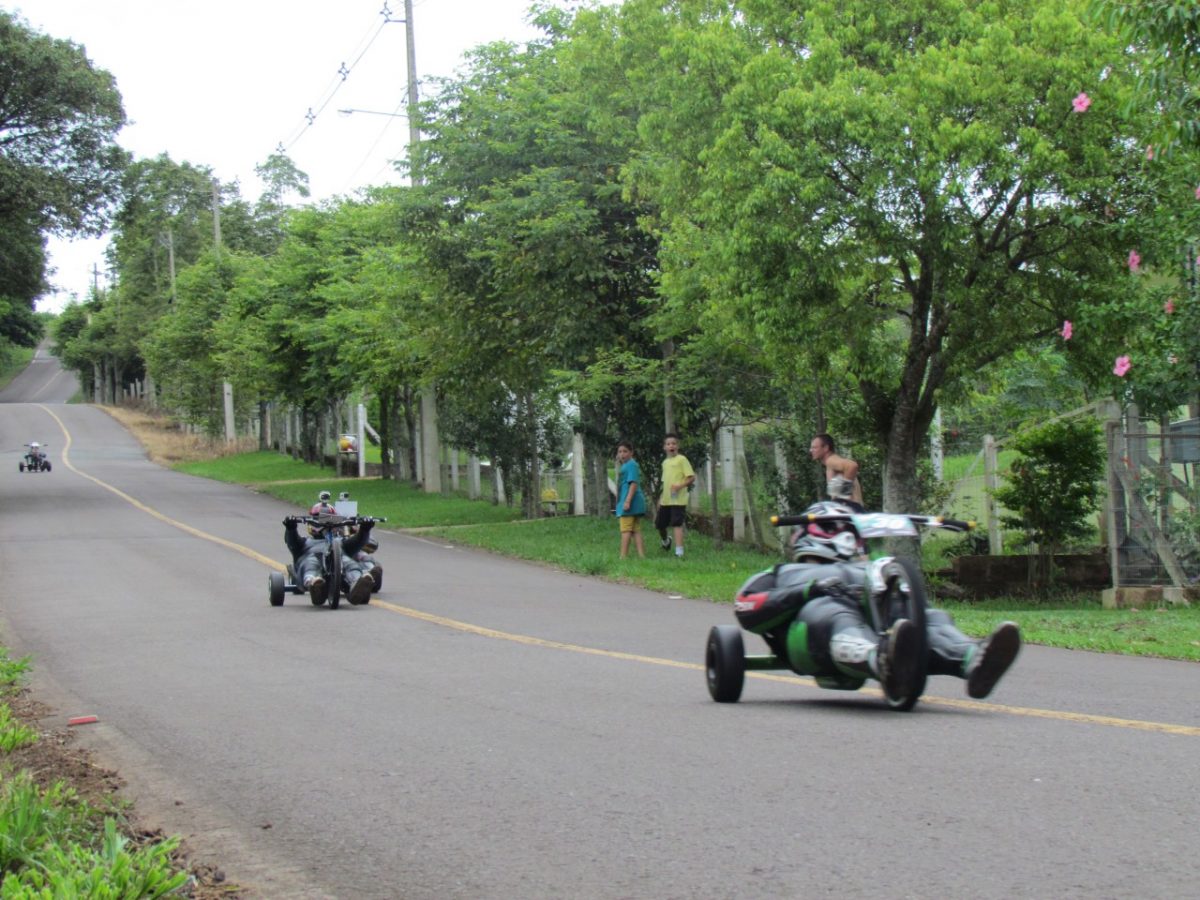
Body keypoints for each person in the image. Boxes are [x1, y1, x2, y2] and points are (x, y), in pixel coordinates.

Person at [740, 501, 1021, 700]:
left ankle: (973, 659)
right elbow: (745, 604)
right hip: (815, 625)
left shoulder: (867, 566)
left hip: (879, 618)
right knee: (832, 613)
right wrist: (806, 591)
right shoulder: (784, 572)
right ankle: (880, 659)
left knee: (931, 618)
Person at [284, 513, 376, 605]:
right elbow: (292, 541)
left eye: (329, 519)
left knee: (349, 563)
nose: (325, 524)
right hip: (313, 561)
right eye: (321, 520)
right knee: (311, 563)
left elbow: (358, 542)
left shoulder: (341, 542)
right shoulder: (304, 542)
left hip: (339, 566)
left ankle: (357, 584)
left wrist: (365, 529)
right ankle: (315, 586)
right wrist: (291, 528)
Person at [655, 433, 695, 558]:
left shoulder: (682, 459)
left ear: (677, 446)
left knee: (677, 523)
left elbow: (691, 477)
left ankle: (679, 552)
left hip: (678, 499)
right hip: (666, 499)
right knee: (660, 525)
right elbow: (664, 482)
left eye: (674, 443)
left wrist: (679, 486)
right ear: (664, 447)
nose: (671, 445)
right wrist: (661, 498)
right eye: (668, 444)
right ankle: (666, 541)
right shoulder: (665, 463)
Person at [809, 433, 863, 507]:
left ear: (826, 448)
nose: (811, 450)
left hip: (852, 512)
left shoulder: (831, 460)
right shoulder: (831, 463)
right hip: (853, 511)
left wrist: (842, 499)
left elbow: (852, 466)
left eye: (814, 447)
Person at [614, 440, 646, 559]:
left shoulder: (631, 465)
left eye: (625, 451)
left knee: (626, 530)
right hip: (634, 502)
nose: (622, 454)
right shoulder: (628, 465)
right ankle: (641, 556)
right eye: (620, 452)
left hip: (630, 503)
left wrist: (627, 501)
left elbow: (633, 484)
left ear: (631, 452)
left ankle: (623, 556)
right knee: (635, 530)